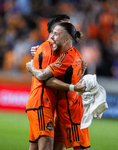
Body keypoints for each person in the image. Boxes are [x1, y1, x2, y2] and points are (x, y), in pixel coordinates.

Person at [25, 14, 86, 150]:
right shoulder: (48, 50)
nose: (71, 29)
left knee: (38, 147)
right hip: (42, 102)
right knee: (46, 146)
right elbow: (44, 78)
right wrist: (32, 68)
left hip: (55, 105)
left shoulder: (62, 51)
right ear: (55, 29)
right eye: (66, 25)